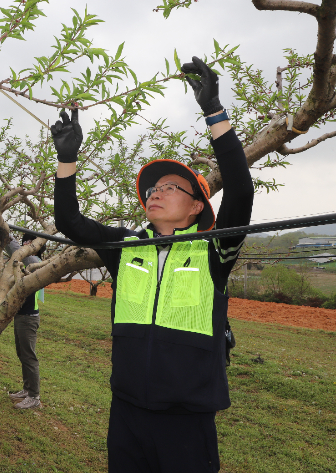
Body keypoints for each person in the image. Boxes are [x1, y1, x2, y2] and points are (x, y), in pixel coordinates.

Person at [52, 56, 254, 472]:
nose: (155, 193)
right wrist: (67, 161)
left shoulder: (214, 247)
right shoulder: (126, 245)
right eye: (151, 188)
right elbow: (70, 222)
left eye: (169, 187)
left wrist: (214, 113)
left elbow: (240, 189)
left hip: (187, 418)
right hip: (125, 410)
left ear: (197, 204)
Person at [6, 232, 45, 410]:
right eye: (25, 242)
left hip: (28, 318)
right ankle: (27, 389)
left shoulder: (33, 261)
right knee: (22, 354)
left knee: (29, 357)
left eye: (30, 242)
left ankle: (34, 396)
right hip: (22, 315)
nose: (25, 245)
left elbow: (13, 248)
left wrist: (4, 232)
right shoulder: (28, 262)